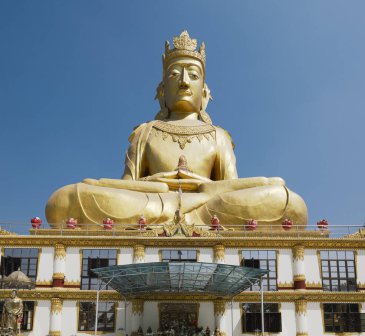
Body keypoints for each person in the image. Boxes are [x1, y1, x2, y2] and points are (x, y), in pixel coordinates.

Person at [46, 31, 307, 227]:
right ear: (162, 92)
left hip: (209, 206)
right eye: (174, 75)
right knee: (66, 198)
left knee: (285, 199)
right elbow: (127, 187)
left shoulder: (218, 135)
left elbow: (231, 188)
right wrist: (154, 183)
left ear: (204, 92)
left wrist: (204, 186)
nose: (184, 82)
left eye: (193, 75)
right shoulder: (145, 132)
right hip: (151, 204)